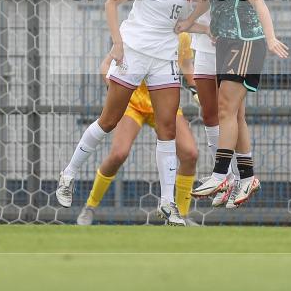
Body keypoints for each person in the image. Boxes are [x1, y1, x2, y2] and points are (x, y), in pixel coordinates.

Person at [55, 0, 197, 226]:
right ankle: (68, 173)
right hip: (133, 54)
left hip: (163, 60)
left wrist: (197, 22)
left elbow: (195, 8)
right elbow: (111, 2)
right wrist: (117, 44)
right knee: (107, 122)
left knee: (168, 129)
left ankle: (168, 203)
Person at [176, 0, 289, 208]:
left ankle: (221, 173)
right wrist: (190, 22)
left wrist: (271, 37)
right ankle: (247, 176)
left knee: (226, 108)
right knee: (232, 113)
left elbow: (259, 4)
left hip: (247, 41)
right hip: (226, 44)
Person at [76, 33, 199, 226]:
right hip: (132, 104)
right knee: (118, 154)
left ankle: (181, 217)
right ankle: (90, 207)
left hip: (163, 103)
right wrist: (115, 91)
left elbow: (185, 65)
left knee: (190, 153)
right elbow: (106, 66)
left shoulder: (182, 35)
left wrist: (196, 89)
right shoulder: (137, 29)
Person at [191, 0, 270, 209]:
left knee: (230, 112)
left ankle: (224, 176)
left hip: (234, 47)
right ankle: (237, 176)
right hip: (205, 52)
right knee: (214, 114)